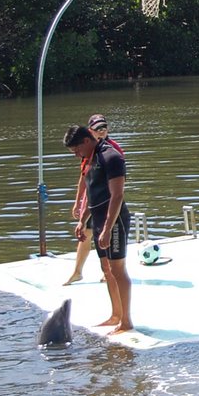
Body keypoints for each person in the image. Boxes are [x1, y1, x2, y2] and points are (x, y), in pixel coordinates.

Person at [63, 124, 133, 335]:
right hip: (99, 219)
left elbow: (117, 196)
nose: (76, 155)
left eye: (77, 150)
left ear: (86, 140)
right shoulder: (89, 158)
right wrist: (82, 220)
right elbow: (92, 194)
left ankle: (127, 321)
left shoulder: (111, 157)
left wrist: (107, 228)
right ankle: (116, 315)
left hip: (115, 221)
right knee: (107, 270)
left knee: (118, 270)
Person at [65, 114, 124, 285]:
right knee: (85, 234)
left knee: (108, 246)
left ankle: (109, 274)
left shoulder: (112, 152)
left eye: (104, 128)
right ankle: (78, 271)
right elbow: (84, 179)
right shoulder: (87, 153)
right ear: (90, 131)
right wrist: (78, 203)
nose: (102, 131)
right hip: (91, 201)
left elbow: (117, 190)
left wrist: (107, 227)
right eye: (98, 128)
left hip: (107, 201)